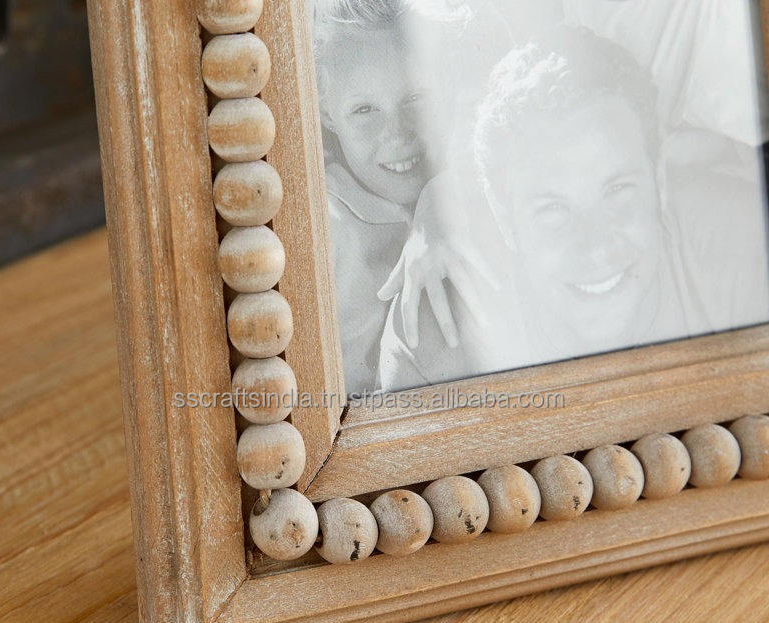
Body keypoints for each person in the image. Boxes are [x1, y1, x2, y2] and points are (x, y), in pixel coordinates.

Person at [378, 26, 769, 391]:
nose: (595, 247)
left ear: (660, 183)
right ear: (504, 219)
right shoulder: (436, 345)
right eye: (553, 209)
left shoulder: (744, 247)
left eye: (617, 190)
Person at [313, 0, 440, 395]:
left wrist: (437, 200)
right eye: (364, 109)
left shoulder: (456, 178)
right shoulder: (327, 230)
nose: (397, 133)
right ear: (326, 112)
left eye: (414, 98)